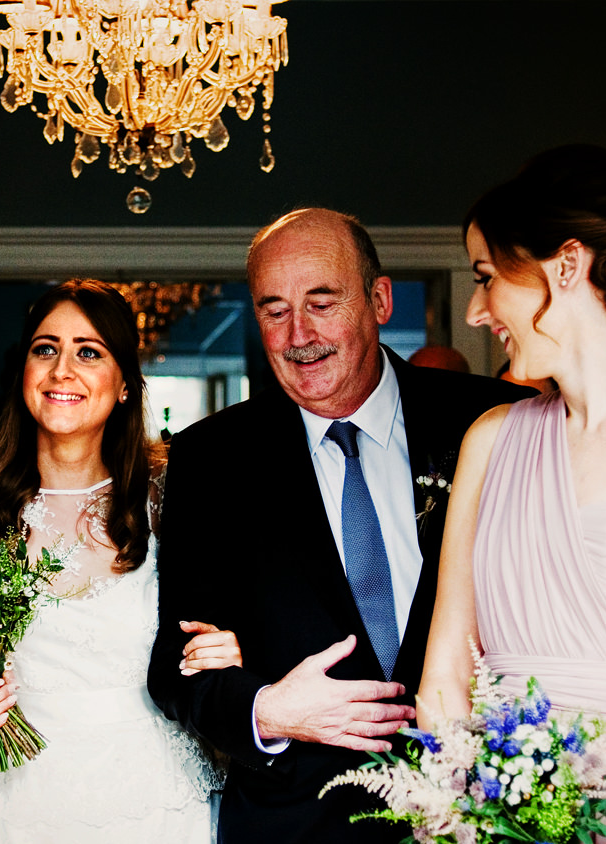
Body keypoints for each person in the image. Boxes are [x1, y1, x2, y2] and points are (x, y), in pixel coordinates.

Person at [147, 208, 532, 844]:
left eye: (322, 302)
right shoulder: (211, 458)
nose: (299, 333)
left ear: (379, 299)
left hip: (485, 814)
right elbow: (175, 661)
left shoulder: (493, 423)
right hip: (297, 821)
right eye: (274, 310)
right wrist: (265, 710)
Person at [418, 144, 606, 839]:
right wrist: (459, 823)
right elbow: (445, 679)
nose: (479, 311)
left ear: (566, 265)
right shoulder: (491, 440)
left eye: (488, 278)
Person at [0, 279, 242, 843]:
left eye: (89, 352)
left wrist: (233, 645)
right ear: (24, 372)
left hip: (153, 795)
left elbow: (227, 615)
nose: (62, 370)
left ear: (122, 386)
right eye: (46, 349)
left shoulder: (167, 496)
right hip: (14, 795)